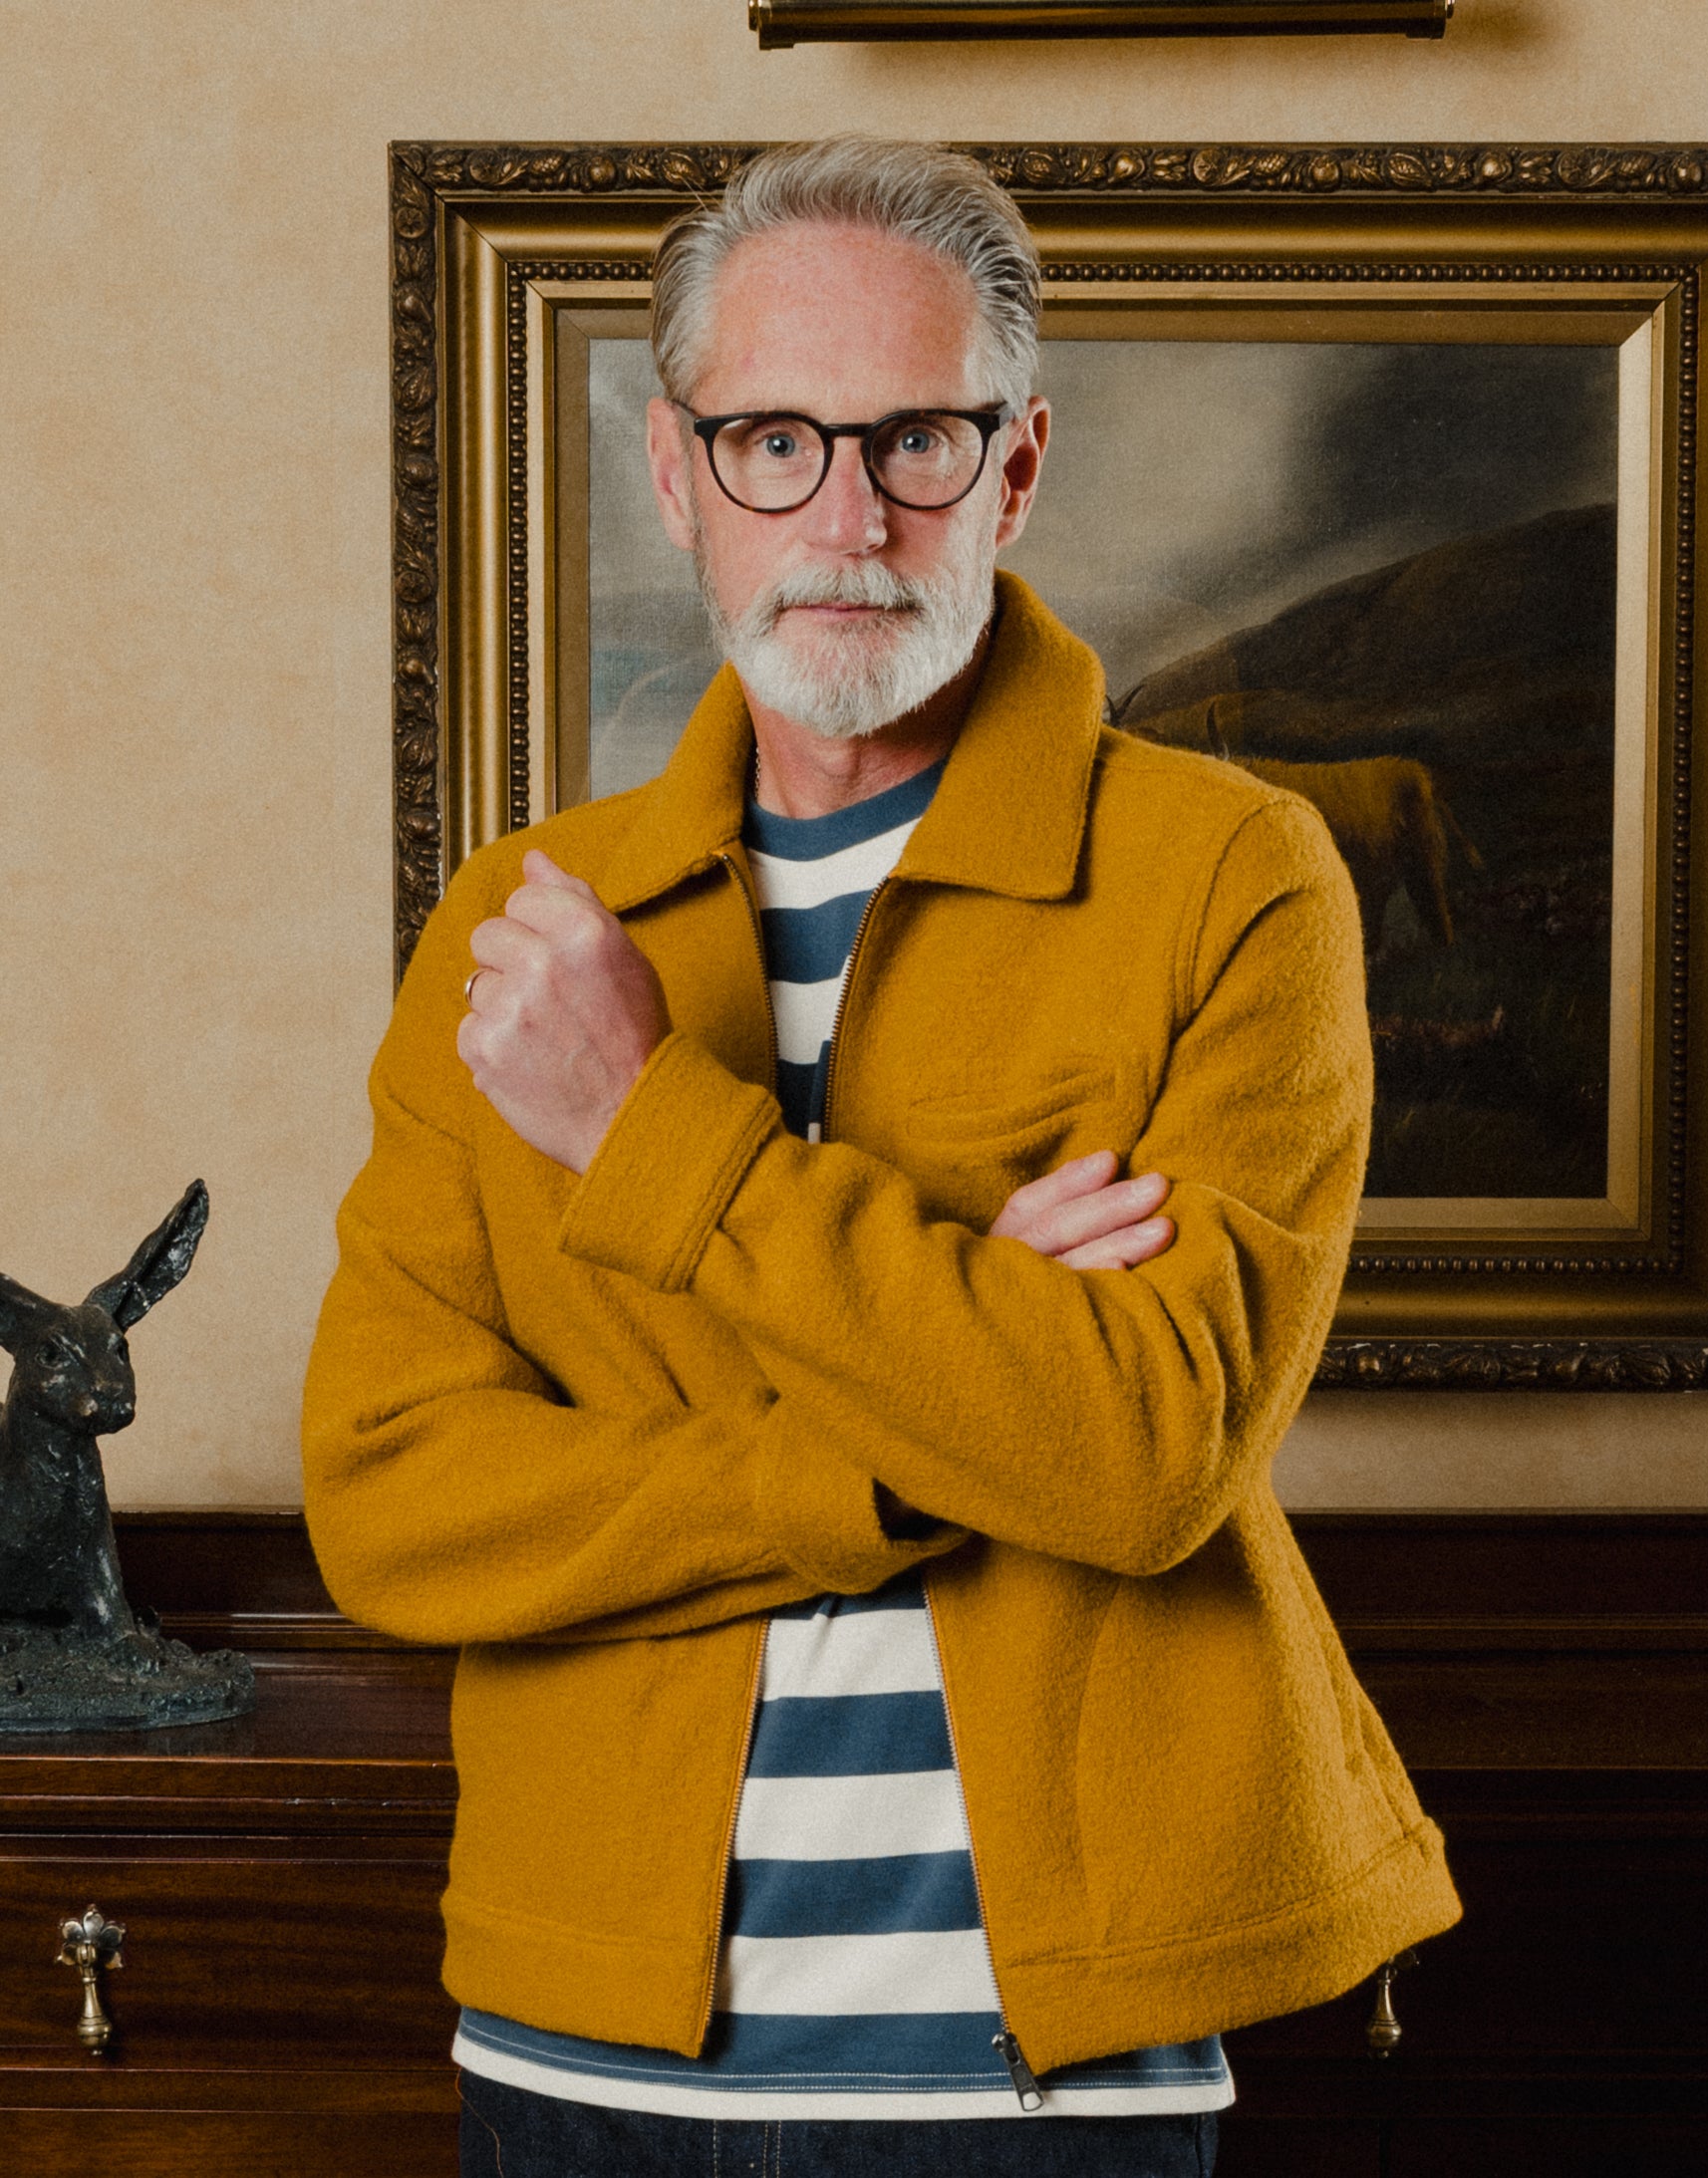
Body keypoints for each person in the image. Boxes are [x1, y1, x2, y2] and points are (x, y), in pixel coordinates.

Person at [302, 136, 1460, 2178]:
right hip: (585, 2066)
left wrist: (661, 1134)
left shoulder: (1232, 879)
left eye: (915, 439)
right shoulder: (522, 926)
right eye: (773, 440)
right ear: (678, 473)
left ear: (1014, 468)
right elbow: (394, 1497)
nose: (847, 518)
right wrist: (922, 1423)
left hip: (1053, 2081)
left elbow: (1139, 1457)